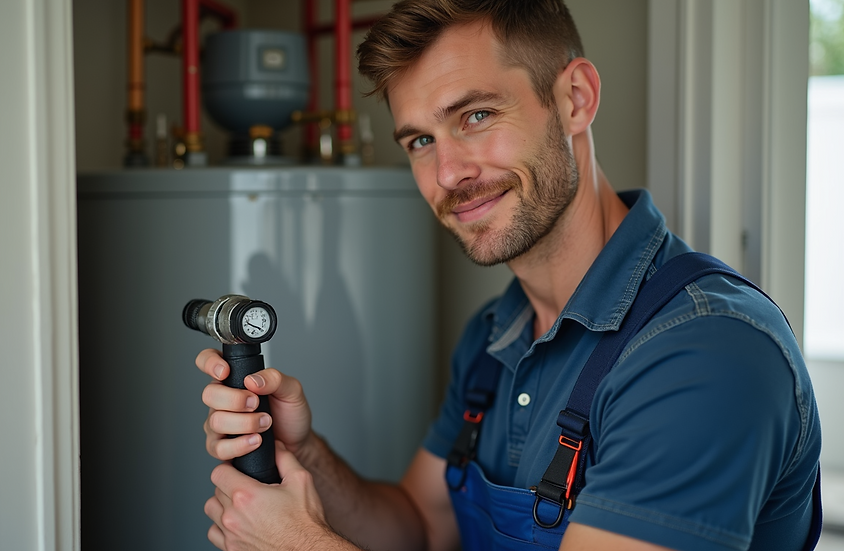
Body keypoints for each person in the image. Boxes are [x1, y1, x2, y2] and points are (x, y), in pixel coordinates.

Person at [195, 1, 822, 549]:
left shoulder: (706, 351)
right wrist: (304, 455)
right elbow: (419, 527)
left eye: (475, 116)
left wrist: (297, 546)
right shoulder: (496, 336)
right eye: (419, 141)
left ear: (575, 99)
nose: (447, 174)